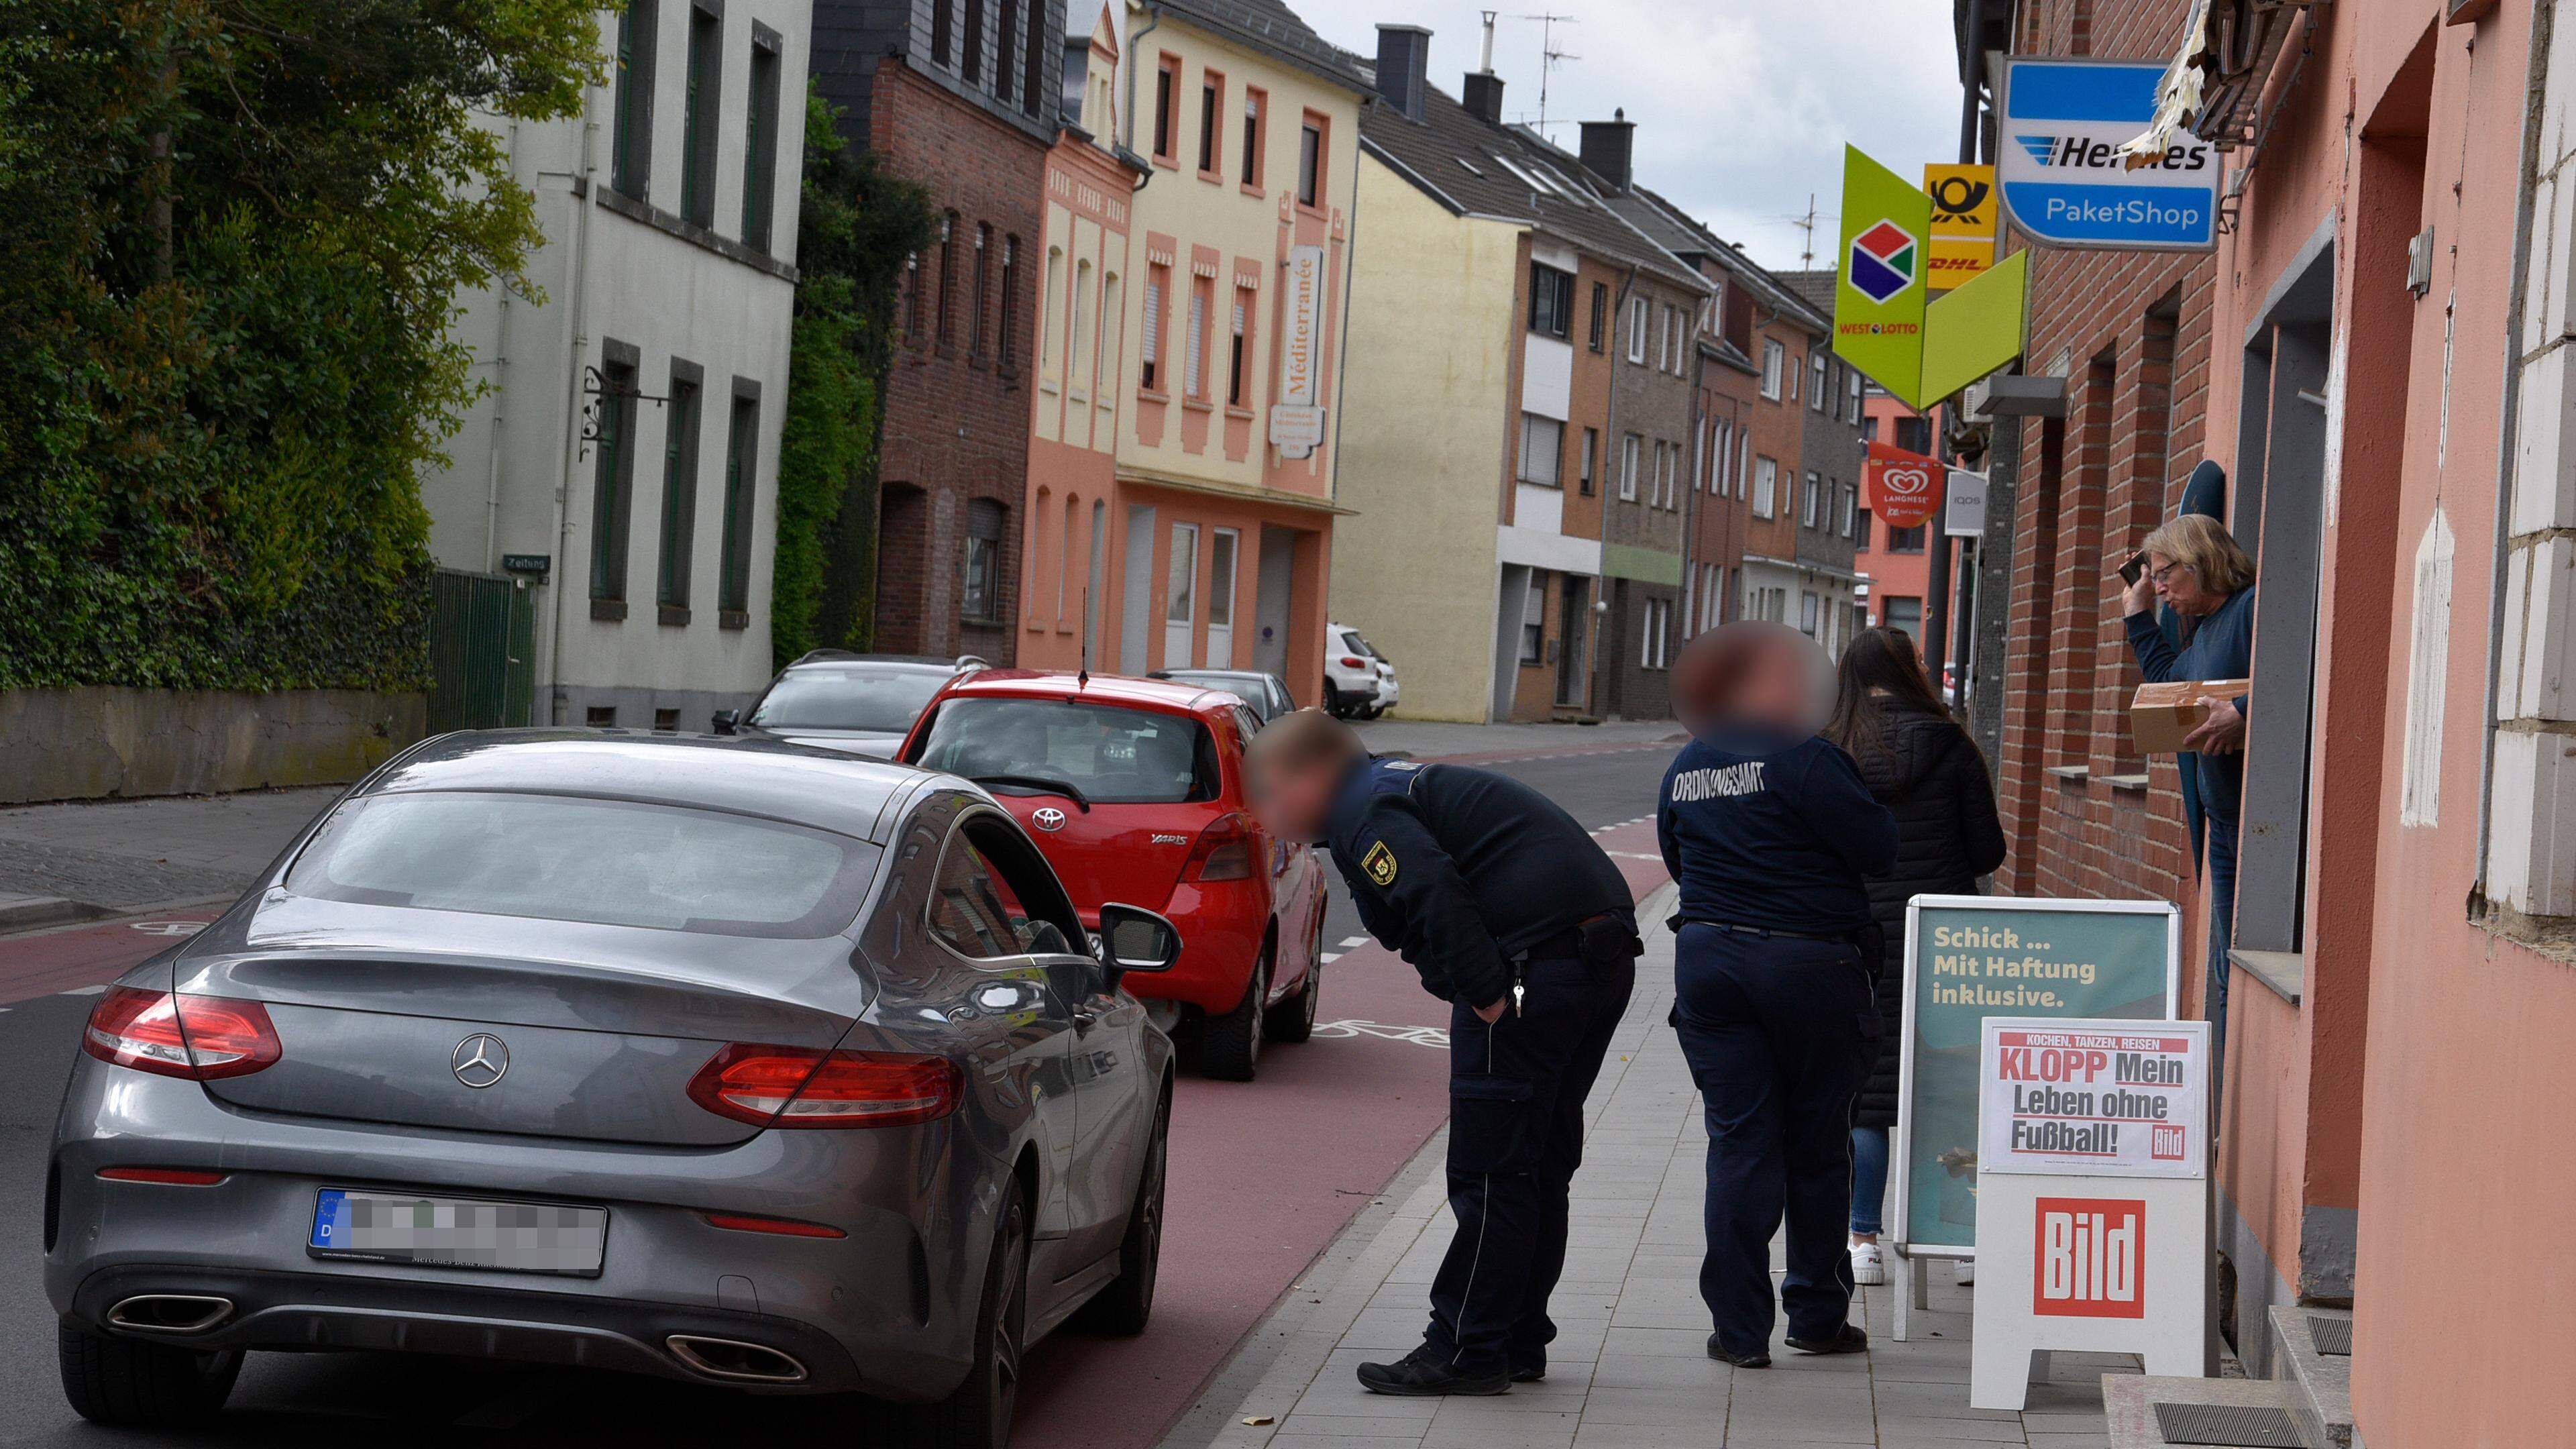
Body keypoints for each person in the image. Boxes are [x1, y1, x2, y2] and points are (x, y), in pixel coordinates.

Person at [1246, 710, 1640, 1396]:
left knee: (1493, 1172)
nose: (1265, 815)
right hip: (1591, 958)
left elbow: (1430, 890)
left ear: (1314, 774)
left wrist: (1485, 993)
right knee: (1538, 1162)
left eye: (1272, 794)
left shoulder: (1364, 810)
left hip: (1531, 967)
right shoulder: (1394, 788)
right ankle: (1515, 1337)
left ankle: (1463, 1347)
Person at [1659, 623, 1897, 1368]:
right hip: (1808, 965)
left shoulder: (1688, 765)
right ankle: (1817, 1316)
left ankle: (1737, 1332)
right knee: (1817, 1142)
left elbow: (1676, 854)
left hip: (1709, 962)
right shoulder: (1805, 759)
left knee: (1739, 1140)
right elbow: (1878, 849)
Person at [1823, 627, 2006, 1291]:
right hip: (1945, 942)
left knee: (1867, 1097)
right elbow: (1988, 853)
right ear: (1910, 672)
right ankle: (1959, 1238)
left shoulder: (1831, 749)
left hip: (1858, 938)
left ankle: (1862, 1241)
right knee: (1949, 1087)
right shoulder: (1953, 746)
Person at [2119, 513, 2257, 1083]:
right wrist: (2137, 616)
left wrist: (2244, 714)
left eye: (2163, 575)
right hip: (2222, 823)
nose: (2160, 589)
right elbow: (2165, 688)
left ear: (2198, 559)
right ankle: (2226, 1107)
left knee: (2241, 959)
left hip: (2257, 826)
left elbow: (2305, 668)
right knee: (2226, 965)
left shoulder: (2251, 609)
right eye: (2152, 578)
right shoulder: (2202, 629)